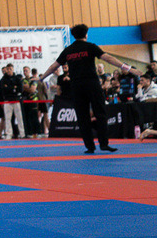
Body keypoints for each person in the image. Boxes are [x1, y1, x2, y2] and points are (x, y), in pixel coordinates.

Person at [39, 24, 142, 154]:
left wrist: (41, 78)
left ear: (74, 36)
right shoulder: (90, 47)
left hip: (76, 87)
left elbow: (54, 66)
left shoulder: (68, 50)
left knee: (82, 117)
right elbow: (108, 58)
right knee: (100, 113)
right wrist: (129, 68)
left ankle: (89, 146)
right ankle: (104, 144)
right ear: (86, 34)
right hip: (92, 84)